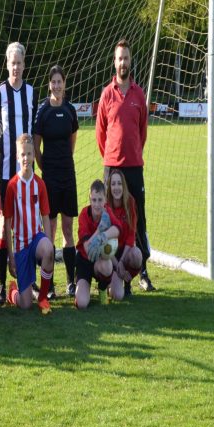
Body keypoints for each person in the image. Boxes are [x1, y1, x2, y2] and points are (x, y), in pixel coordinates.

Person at [96, 39, 155, 293]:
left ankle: (141, 271)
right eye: (119, 58)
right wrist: (112, 157)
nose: (123, 63)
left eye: (126, 58)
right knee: (110, 221)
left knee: (137, 219)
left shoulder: (139, 94)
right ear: (114, 62)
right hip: (112, 168)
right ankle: (108, 271)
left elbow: (142, 132)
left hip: (134, 168)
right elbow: (100, 134)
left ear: (131, 62)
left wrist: (132, 155)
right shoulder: (107, 94)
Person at [0, 41, 37, 306]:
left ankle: (29, 280)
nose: (15, 67)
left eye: (19, 62)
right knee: (5, 227)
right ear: (6, 64)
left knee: (29, 224)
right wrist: (3, 153)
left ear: (24, 64)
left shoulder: (31, 92)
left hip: (28, 174)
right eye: (11, 62)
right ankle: (1, 285)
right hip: (6, 173)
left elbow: (33, 130)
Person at [33, 65, 79, 297]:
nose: (57, 85)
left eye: (60, 81)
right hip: (49, 178)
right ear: (49, 84)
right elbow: (36, 145)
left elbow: (72, 141)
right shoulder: (43, 112)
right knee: (49, 230)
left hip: (67, 176)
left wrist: (63, 163)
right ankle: (48, 284)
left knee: (68, 229)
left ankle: (72, 282)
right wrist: (45, 167)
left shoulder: (70, 110)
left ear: (64, 84)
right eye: (54, 82)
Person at [2, 134, 54, 314]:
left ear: (34, 156)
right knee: (24, 305)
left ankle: (43, 297)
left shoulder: (39, 184)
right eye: (22, 154)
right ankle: (13, 292)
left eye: (29, 154)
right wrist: (11, 255)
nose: (26, 158)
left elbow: (46, 216)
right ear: (17, 157)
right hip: (21, 246)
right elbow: (7, 224)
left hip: (36, 240)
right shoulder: (12, 186)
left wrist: (49, 245)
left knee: (48, 249)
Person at [74, 179, 122, 309]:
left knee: (107, 264)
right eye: (94, 200)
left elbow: (117, 229)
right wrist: (99, 230)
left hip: (99, 261)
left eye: (100, 200)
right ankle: (82, 285)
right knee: (82, 304)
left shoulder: (107, 212)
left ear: (105, 200)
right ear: (89, 199)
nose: (97, 204)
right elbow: (88, 249)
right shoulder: (84, 214)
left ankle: (102, 289)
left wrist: (104, 235)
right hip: (85, 260)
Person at [105, 169, 143, 301]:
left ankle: (127, 283)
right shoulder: (105, 206)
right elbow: (105, 244)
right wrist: (116, 263)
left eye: (119, 184)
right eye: (113, 184)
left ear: (124, 186)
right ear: (109, 187)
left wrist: (122, 262)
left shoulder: (130, 202)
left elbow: (131, 236)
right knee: (117, 296)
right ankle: (111, 280)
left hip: (124, 252)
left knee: (137, 255)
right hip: (110, 253)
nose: (116, 187)